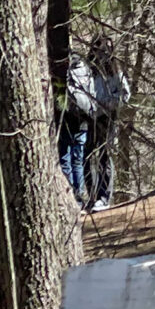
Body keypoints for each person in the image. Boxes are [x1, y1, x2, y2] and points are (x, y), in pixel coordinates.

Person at [85, 38, 130, 211]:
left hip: (108, 118)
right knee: (86, 157)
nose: (101, 55)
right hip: (90, 118)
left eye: (105, 51)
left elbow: (125, 95)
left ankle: (104, 197)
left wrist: (108, 104)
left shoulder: (116, 73)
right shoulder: (89, 72)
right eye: (98, 50)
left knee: (104, 155)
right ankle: (92, 195)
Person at [59, 50, 97, 202]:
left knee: (65, 159)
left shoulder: (67, 74)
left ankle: (70, 196)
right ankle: (79, 195)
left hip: (69, 122)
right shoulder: (87, 73)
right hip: (84, 122)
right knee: (78, 160)